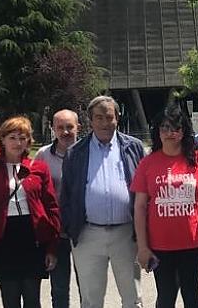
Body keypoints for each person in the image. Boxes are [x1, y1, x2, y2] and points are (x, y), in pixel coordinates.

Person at [131, 104, 198, 308]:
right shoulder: (148, 163)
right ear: (158, 131)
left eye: (176, 128)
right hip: (160, 245)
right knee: (165, 297)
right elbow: (139, 207)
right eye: (164, 127)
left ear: (184, 131)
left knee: (191, 296)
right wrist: (142, 246)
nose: (170, 133)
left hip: (191, 243)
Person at [60, 96, 145, 308]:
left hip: (126, 235)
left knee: (133, 298)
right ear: (90, 121)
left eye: (109, 117)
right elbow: (67, 195)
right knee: (91, 300)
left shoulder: (133, 147)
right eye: (99, 118)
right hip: (88, 235)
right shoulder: (75, 152)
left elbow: (145, 191)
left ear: (117, 118)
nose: (105, 123)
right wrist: (71, 228)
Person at [0, 116, 60, 308]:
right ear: (2, 139)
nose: (18, 143)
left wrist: (51, 247)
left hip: (31, 236)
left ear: (29, 141)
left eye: (23, 138)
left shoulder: (39, 168)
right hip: (3, 237)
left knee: (32, 298)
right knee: (10, 299)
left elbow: (52, 208)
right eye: (13, 137)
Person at [34, 109, 81, 308]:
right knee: (59, 288)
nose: (65, 132)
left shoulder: (87, 152)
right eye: (60, 127)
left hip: (82, 231)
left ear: (78, 127)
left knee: (87, 285)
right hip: (56, 232)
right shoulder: (43, 155)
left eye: (69, 127)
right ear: (53, 129)